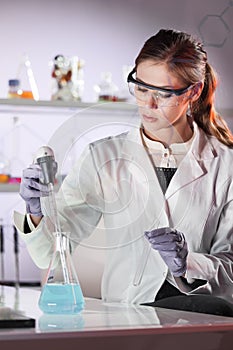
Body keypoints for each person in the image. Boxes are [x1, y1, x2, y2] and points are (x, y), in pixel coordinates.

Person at [15, 28, 233, 317]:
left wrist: (188, 262)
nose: (148, 104)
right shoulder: (103, 157)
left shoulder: (225, 163)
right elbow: (50, 253)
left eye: (163, 93)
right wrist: (36, 210)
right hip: (128, 316)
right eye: (141, 88)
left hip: (202, 317)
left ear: (193, 92)